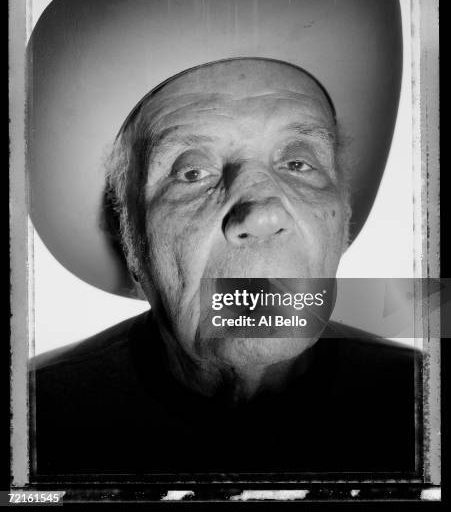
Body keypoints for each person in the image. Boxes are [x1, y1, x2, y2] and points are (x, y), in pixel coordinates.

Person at [31, 58, 419, 477]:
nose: (262, 215)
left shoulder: (419, 397)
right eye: (192, 172)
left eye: (298, 163)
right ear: (130, 239)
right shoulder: (36, 417)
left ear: (343, 220)